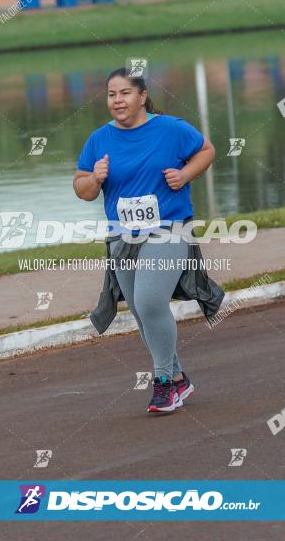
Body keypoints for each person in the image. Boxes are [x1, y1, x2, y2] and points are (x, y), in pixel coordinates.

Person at [73, 67, 216, 413]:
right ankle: (180, 379)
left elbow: (206, 151)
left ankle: (164, 382)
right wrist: (95, 177)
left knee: (151, 302)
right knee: (140, 311)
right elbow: (82, 189)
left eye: (124, 93)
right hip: (123, 237)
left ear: (141, 97)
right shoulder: (99, 139)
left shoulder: (170, 129)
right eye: (111, 94)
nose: (117, 101)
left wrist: (184, 175)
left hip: (169, 229)